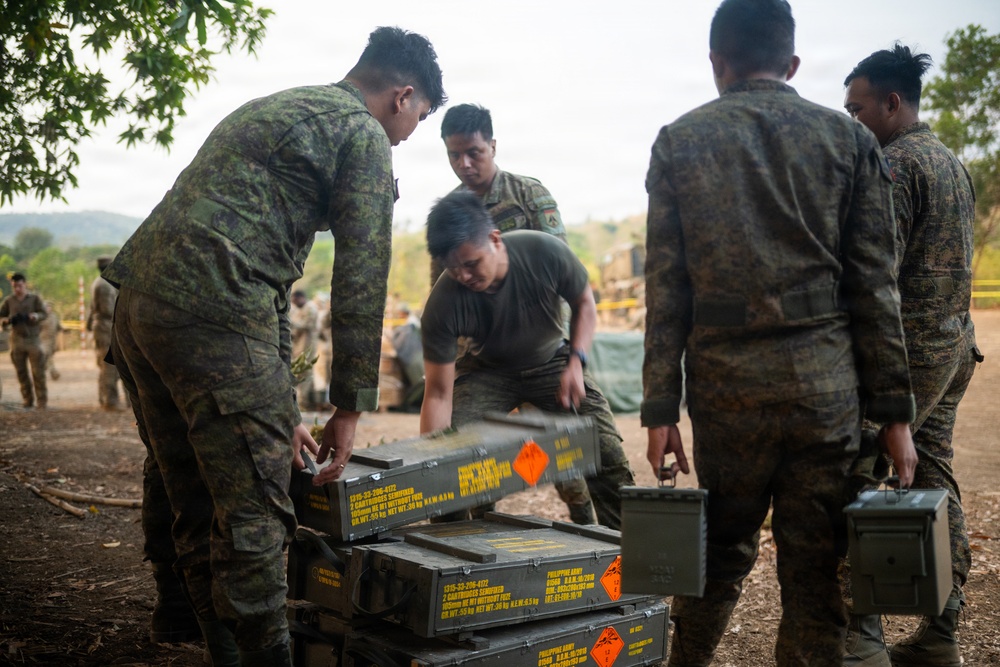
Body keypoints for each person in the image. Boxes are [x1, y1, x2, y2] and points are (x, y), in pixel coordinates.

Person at [104, 26, 445, 667]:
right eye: (420, 118)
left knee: (192, 494)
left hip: (138, 306)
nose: (409, 134)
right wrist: (349, 406)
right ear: (403, 96)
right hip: (214, 309)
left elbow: (272, 276)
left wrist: (283, 406)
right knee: (256, 515)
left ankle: (217, 647)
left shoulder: (277, 108)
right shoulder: (363, 133)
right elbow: (362, 275)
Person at [640, 1, 918, 665]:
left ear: (717, 62)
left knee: (717, 551)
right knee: (817, 570)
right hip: (825, 393)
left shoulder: (679, 141)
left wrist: (659, 410)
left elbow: (666, 290)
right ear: (792, 64)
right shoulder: (849, 141)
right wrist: (895, 413)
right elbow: (875, 287)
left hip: (726, 395)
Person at [843, 44, 982, 667]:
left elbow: (878, 277)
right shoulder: (951, 161)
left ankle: (859, 637)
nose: (852, 122)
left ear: (892, 103)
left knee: (854, 475)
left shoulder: (893, 165)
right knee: (934, 474)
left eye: (858, 109)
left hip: (905, 357)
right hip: (953, 348)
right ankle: (941, 632)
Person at [418, 192, 635, 530]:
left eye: (471, 263)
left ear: (494, 240)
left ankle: (624, 546)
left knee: (604, 448)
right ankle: (450, 546)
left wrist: (576, 363)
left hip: (551, 361)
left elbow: (584, 303)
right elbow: (437, 395)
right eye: (453, 268)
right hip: (487, 372)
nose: (464, 276)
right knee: (451, 461)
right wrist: (432, 461)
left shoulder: (544, 252)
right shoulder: (442, 305)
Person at [434, 103, 595, 525]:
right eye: (454, 155)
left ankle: (588, 524)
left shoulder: (528, 195)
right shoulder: (450, 215)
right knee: (465, 447)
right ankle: (476, 525)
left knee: (563, 448)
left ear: (492, 145)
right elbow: (447, 296)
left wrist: (567, 358)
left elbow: (562, 276)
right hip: (484, 358)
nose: (464, 164)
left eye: (473, 153)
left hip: (542, 348)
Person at [0, 272, 48, 409]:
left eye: (19, 286)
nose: (17, 289)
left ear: (25, 284)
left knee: (38, 372)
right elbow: (1, 316)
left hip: (32, 339)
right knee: (21, 372)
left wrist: (34, 316)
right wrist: (7, 320)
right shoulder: (9, 301)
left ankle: (41, 401)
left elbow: (44, 313)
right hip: (16, 339)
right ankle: (27, 399)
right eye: (14, 286)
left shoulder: (34, 299)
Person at [87, 256, 126, 410]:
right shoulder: (104, 285)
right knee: (109, 364)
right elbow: (108, 310)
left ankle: (104, 398)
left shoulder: (99, 282)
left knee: (106, 364)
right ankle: (110, 401)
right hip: (105, 328)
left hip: (102, 327)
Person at [289, 289, 319, 411]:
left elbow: (307, 325)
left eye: (295, 301)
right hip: (299, 347)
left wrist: (290, 323)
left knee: (306, 372)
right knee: (297, 372)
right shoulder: (299, 309)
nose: (294, 304)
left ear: (301, 298)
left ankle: (303, 403)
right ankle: (299, 402)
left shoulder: (311, 308)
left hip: (308, 346)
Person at [39, 301, 62, 381]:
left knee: (48, 356)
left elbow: (58, 326)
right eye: (47, 307)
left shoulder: (54, 316)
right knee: (47, 355)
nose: (49, 308)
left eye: (50, 307)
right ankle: (53, 372)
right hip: (43, 340)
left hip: (52, 340)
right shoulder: (41, 317)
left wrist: (63, 330)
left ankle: (41, 370)